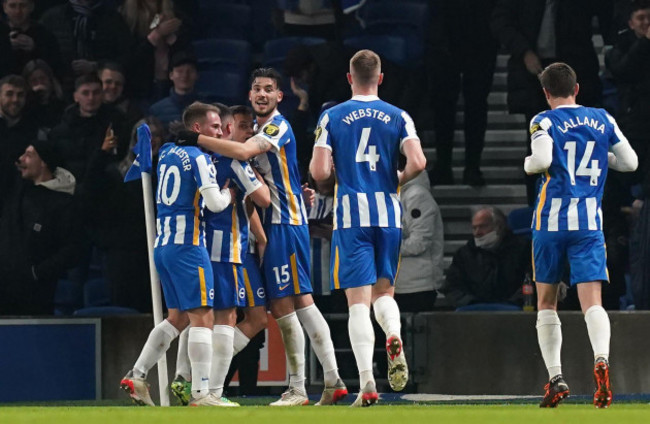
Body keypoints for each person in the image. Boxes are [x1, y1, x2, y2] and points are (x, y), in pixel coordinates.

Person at [174, 67, 347, 407]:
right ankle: (331, 380)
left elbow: (242, 154)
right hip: (274, 228)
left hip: (284, 223)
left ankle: (299, 387)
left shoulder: (276, 126)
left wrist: (194, 139)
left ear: (279, 96)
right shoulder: (258, 130)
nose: (262, 94)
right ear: (250, 95)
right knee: (291, 306)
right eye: (256, 89)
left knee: (287, 307)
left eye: (269, 89)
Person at [309, 49, 427, 406]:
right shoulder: (399, 115)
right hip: (388, 215)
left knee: (357, 304)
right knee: (385, 294)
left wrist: (335, 175)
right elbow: (418, 161)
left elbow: (318, 173)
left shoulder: (332, 116)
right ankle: (393, 331)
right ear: (380, 77)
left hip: (351, 218)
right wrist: (397, 179)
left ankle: (367, 384)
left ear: (349, 78)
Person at [525, 62, 637, 408]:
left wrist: (528, 163)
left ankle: (556, 377)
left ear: (546, 92)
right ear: (578, 88)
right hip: (588, 224)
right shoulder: (602, 118)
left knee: (546, 302)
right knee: (593, 303)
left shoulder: (543, 120)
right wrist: (602, 159)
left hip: (550, 224)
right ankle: (601, 358)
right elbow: (630, 162)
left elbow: (541, 160)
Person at [120, 102, 232, 407]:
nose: (220, 132)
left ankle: (137, 374)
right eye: (214, 127)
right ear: (197, 129)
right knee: (203, 317)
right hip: (188, 248)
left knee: (177, 318)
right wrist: (228, 193)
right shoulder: (200, 158)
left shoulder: (167, 152)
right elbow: (215, 204)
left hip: (164, 246)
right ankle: (201, 393)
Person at [491, 0, 615, 204]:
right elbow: (500, 21)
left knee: (578, 145)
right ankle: (539, 207)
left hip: (575, 71)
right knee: (538, 146)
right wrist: (524, 51)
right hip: (534, 75)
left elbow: (606, 16)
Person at [0, 141, 82, 315]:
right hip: (5, 288)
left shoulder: (64, 203)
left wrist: (37, 273)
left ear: (44, 162)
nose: (21, 159)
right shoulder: (16, 194)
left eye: (29, 155)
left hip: (36, 295)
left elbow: (73, 249)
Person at [441, 207, 529, 310]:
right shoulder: (464, 254)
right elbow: (452, 287)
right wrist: (472, 303)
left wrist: (511, 304)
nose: (477, 232)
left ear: (499, 227)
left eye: (482, 227)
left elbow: (530, 283)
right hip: (473, 313)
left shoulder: (523, 249)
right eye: (474, 228)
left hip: (514, 311)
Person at [394, 171, 444, 311]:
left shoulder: (417, 196)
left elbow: (418, 244)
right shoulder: (395, 195)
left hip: (416, 287)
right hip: (396, 285)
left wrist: (382, 246)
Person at [2, 0, 63, 77]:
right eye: (12, 6)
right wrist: (6, 46)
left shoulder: (44, 34)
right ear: (4, 7)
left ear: (31, 7)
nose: (18, 11)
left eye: (23, 6)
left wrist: (35, 48)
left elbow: (56, 67)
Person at [148, 51, 200, 129]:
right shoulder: (156, 110)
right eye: (180, 71)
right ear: (171, 75)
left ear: (197, 75)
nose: (185, 75)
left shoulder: (208, 110)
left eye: (190, 71)